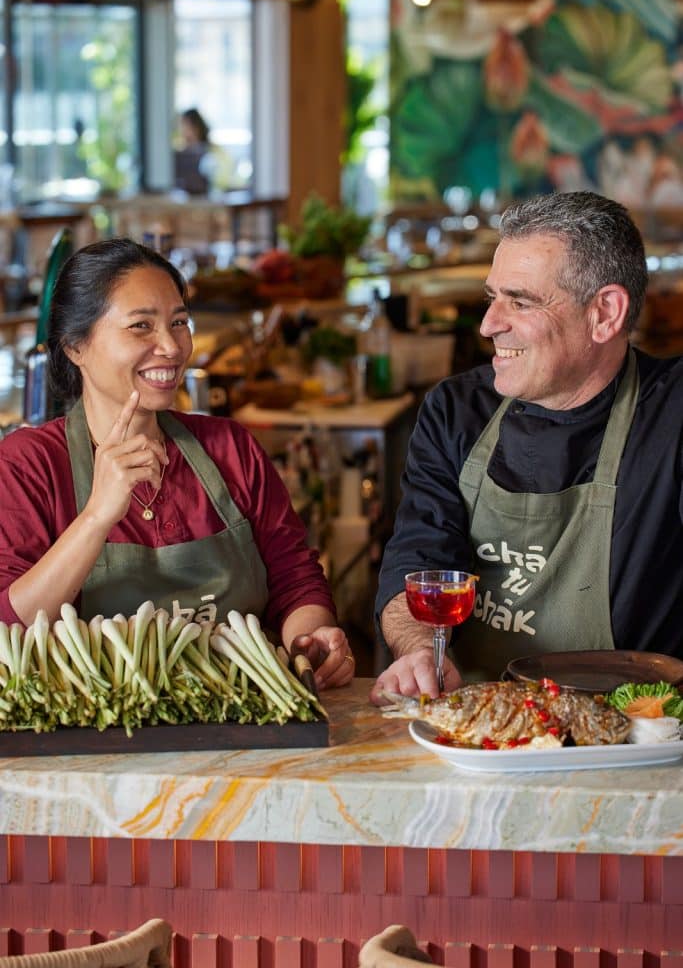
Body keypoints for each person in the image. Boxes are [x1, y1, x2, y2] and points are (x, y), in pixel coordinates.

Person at [0, 238, 354, 691]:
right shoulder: (28, 465)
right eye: (141, 326)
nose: (170, 346)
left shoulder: (233, 449)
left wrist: (311, 638)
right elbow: (10, 628)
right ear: (75, 346)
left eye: (179, 322)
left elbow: (295, 580)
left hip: (243, 721)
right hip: (96, 740)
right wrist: (96, 517)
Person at [370, 190, 683, 703]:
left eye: (520, 301)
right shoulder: (457, 410)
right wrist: (420, 651)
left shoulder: (671, 416)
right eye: (492, 297)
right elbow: (417, 562)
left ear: (605, 313)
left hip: (636, 736)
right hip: (476, 724)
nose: (489, 324)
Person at [174, 108, 234, 195]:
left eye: (185, 125)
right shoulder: (181, 151)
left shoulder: (213, 151)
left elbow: (223, 180)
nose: (182, 129)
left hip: (211, 197)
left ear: (196, 127)